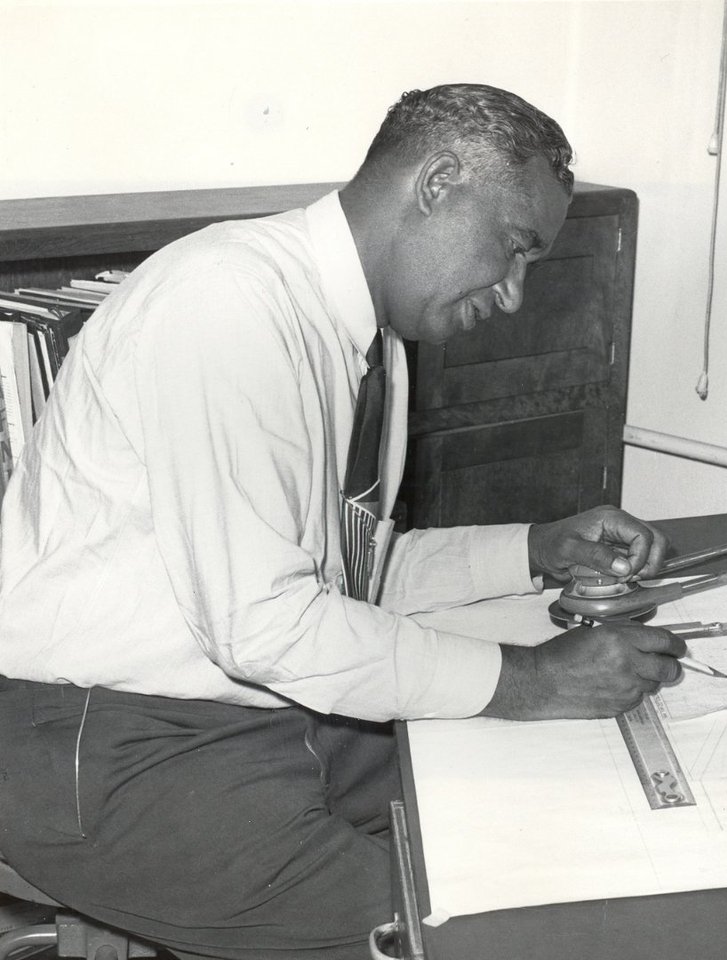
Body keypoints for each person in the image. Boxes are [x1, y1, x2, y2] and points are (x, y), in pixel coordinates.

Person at [0, 83, 685, 959]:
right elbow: (267, 625)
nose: (515, 295)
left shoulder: (368, 336)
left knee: (532, 823)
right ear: (437, 183)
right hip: (109, 738)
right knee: (464, 937)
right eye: (513, 248)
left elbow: (349, 572)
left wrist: (534, 549)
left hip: (257, 709)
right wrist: (532, 680)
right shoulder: (226, 301)